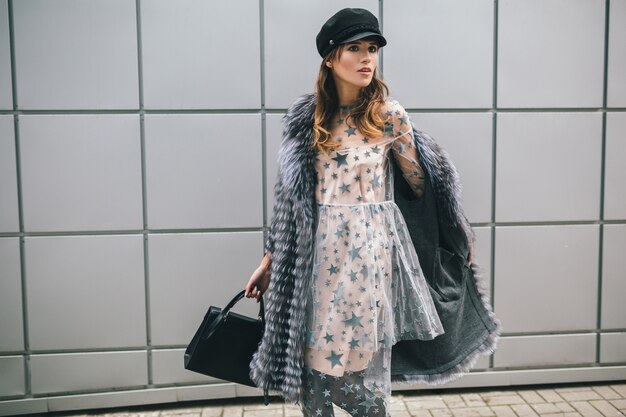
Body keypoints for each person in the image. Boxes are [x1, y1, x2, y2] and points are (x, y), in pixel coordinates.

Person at [245, 7, 501, 417]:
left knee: (361, 362)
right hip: (317, 256)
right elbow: (289, 202)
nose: (367, 58)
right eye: (354, 48)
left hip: (368, 254)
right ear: (330, 58)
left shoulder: (387, 116)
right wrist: (268, 261)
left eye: (372, 49)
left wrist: (454, 228)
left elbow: (421, 188)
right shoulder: (306, 121)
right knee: (315, 362)